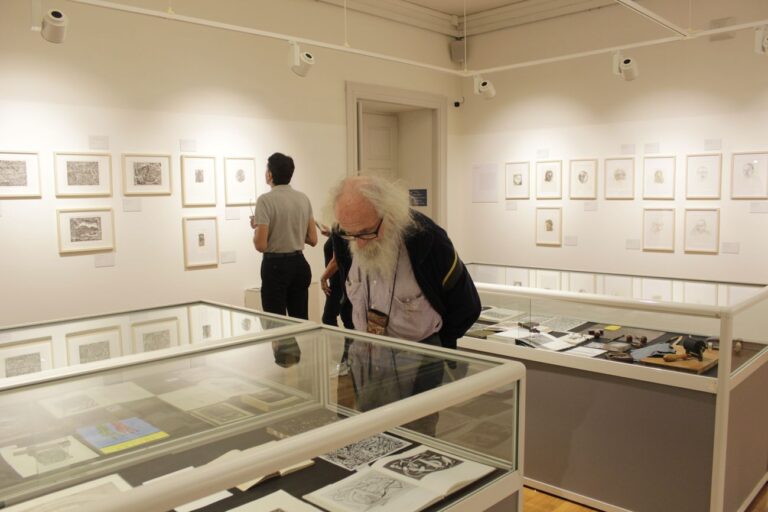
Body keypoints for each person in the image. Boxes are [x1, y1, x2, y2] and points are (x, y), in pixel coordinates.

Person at [327, 175, 481, 432]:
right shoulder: (346, 235)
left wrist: (436, 347)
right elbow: (346, 293)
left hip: (418, 361)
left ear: (390, 214)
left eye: (367, 232)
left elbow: (467, 306)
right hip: (366, 357)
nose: (360, 243)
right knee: (370, 433)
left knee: (416, 442)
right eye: (351, 234)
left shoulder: (428, 240)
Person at [251, 152, 317, 320]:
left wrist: (257, 228)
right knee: (300, 324)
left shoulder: (265, 200)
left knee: (276, 328)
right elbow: (313, 239)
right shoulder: (303, 199)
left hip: (275, 267)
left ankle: (287, 348)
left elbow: (261, 245)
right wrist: (290, 232)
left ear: (270, 174)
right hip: (299, 265)